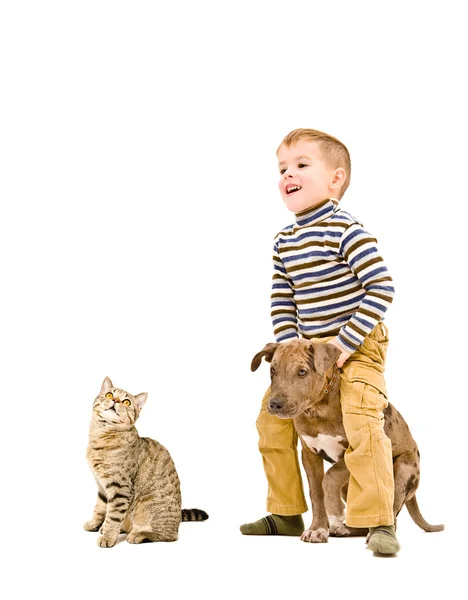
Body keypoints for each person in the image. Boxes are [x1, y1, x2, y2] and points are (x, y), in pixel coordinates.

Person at [240, 128, 400, 554]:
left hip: (357, 342)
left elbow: (381, 287)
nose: (287, 174)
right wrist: (289, 347)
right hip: (306, 350)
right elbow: (283, 297)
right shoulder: (284, 240)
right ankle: (287, 510)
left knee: (363, 416)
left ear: (336, 178)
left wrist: (345, 344)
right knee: (270, 419)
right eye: (282, 168)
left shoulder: (346, 229)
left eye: (300, 165)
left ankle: (377, 519)